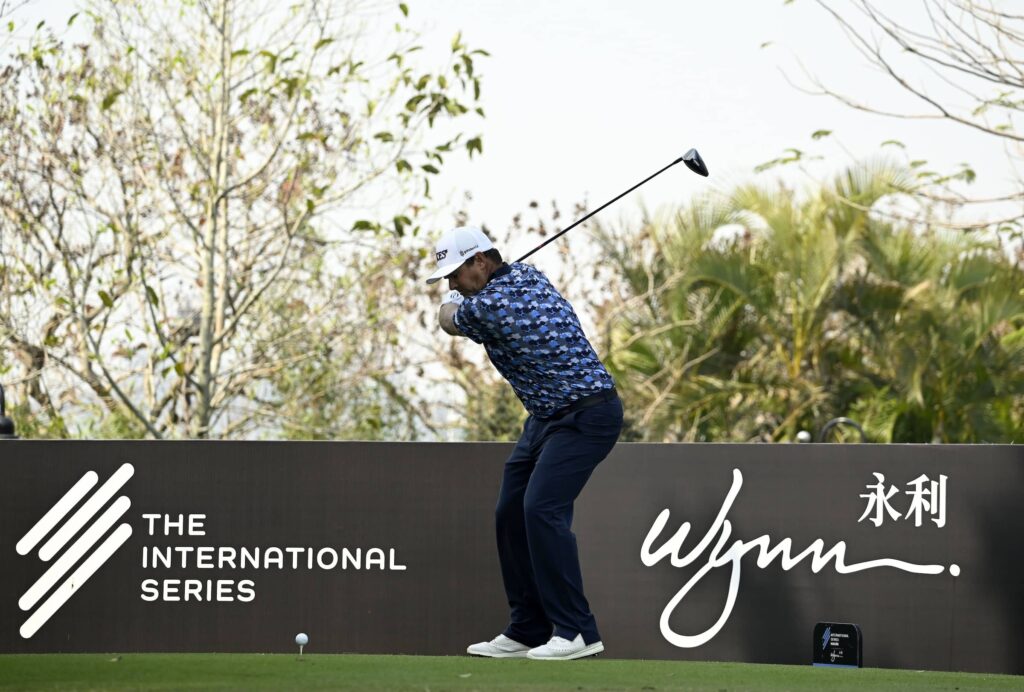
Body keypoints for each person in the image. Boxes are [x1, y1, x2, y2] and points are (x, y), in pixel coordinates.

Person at [426, 226, 623, 661]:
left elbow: (447, 321)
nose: (452, 283)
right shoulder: (529, 276)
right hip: (546, 418)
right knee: (510, 511)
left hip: (587, 415)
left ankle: (577, 631)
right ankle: (528, 628)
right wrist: (465, 292)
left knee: (541, 509)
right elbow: (481, 293)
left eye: (455, 274)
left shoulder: (489, 307)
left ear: (481, 262)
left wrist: (454, 301)